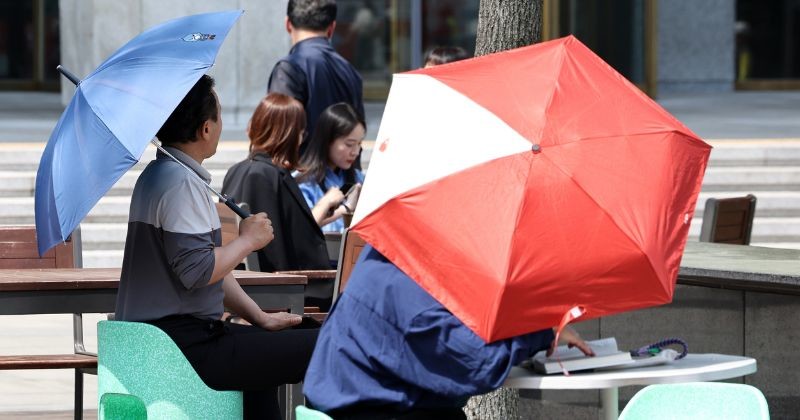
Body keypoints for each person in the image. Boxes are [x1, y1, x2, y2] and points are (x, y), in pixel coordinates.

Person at [115, 75, 318, 420]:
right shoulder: (180, 184)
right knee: (324, 344)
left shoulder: (161, 176)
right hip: (184, 346)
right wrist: (247, 240)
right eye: (220, 118)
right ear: (206, 128)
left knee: (268, 360)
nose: (223, 126)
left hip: (170, 339)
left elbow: (213, 272)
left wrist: (260, 318)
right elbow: (199, 272)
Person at [303, 244, 593, 419]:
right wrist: (541, 331)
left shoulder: (390, 253)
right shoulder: (405, 288)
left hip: (372, 405)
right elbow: (480, 365)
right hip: (384, 412)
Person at [222, 93, 331, 272]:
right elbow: (274, 254)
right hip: (293, 287)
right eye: (301, 131)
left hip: (269, 284)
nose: (302, 138)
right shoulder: (265, 176)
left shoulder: (237, 171)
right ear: (290, 134)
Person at [268, 0, 365, 161]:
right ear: (332, 28)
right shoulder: (351, 72)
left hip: (301, 178)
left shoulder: (289, 69)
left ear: (288, 24)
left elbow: (280, 138)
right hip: (342, 181)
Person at [295, 102, 365, 233]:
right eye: (349, 144)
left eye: (359, 143)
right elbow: (301, 229)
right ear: (327, 141)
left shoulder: (358, 178)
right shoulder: (303, 182)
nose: (355, 151)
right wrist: (345, 209)